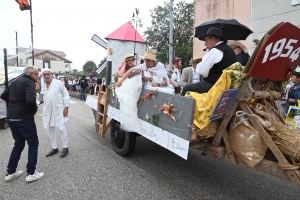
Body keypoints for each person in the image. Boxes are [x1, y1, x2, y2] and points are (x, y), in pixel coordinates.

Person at [1, 65, 44, 182]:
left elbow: (3, 96)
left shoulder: (15, 82)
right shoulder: (30, 83)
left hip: (11, 117)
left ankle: (11, 172)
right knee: (33, 143)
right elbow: (31, 100)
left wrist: (14, 106)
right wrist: (33, 109)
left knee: (18, 144)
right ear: (31, 74)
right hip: (24, 118)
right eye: (37, 74)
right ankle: (31, 173)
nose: (38, 76)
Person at [181, 27, 236, 96]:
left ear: (214, 39)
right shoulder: (229, 50)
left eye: (206, 40)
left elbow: (200, 70)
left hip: (214, 85)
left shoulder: (215, 51)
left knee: (186, 88)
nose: (205, 44)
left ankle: (184, 106)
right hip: (226, 86)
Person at [37, 68, 70, 158]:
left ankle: (65, 147)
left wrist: (66, 107)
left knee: (61, 128)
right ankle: (54, 147)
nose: (46, 76)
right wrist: (38, 91)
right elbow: (40, 100)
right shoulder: (42, 85)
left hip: (58, 110)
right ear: (42, 76)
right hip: (48, 111)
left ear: (52, 74)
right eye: (44, 74)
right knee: (50, 129)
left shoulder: (58, 83)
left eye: (48, 74)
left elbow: (65, 95)